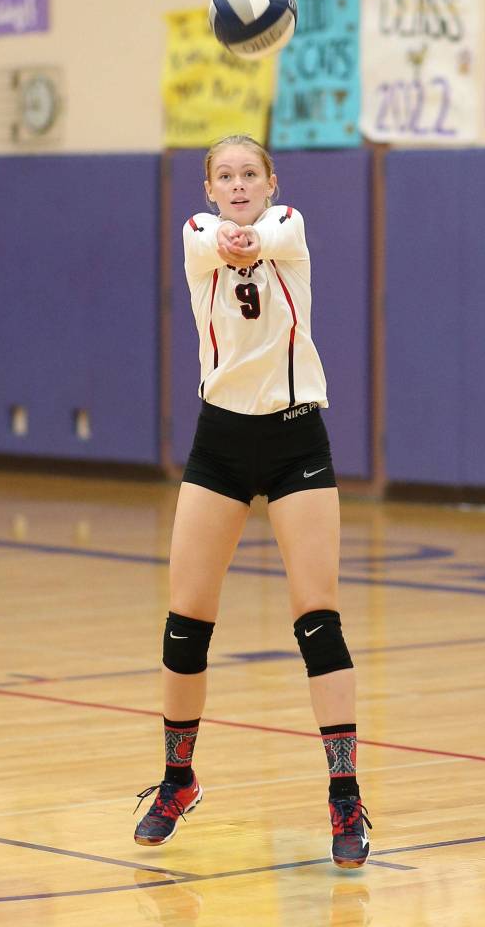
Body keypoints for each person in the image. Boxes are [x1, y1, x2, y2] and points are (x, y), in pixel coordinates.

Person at [133, 134, 372, 869]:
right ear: (208, 188)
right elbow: (226, 246)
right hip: (221, 442)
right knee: (186, 618)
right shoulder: (196, 234)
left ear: (272, 181)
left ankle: (345, 796)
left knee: (317, 617)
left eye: (249, 174)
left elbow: (259, 241)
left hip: (298, 437)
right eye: (225, 176)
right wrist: (230, 235)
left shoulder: (289, 226)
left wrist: (254, 232)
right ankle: (179, 778)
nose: (238, 185)